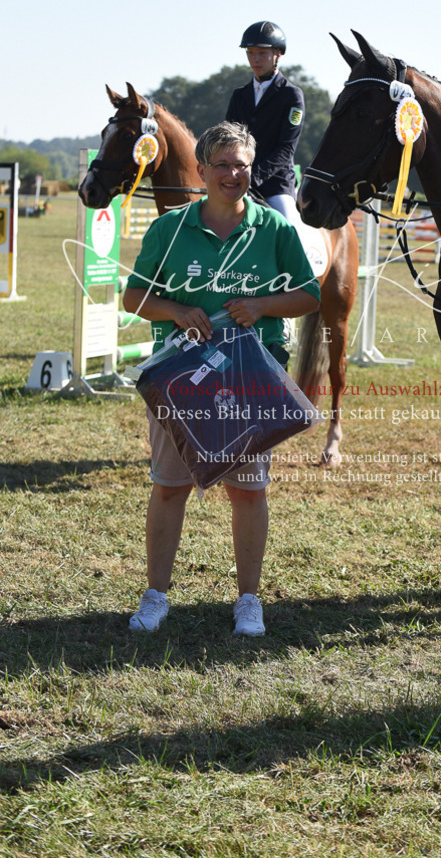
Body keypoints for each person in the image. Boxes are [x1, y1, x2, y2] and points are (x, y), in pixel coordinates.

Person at [122, 121, 320, 637]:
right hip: (180, 379)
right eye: (224, 165)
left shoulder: (274, 229)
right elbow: (134, 298)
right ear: (202, 170)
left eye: (243, 165)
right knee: (169, 487)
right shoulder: (170, 229)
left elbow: (307, 297)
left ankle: (248, 600)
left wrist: (261, 305)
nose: (234, 174)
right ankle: (156, 595)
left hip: (252, 378)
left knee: (249, 492)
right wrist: (179, 310)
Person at [226, 21, 304, 224]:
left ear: (278, 54)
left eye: (261, 53)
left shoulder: (292, 95)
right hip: (238, 180)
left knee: (288, 226)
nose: (255, 59)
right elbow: (228, 140)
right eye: (250, 53)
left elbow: (286, 149)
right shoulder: (239, 96)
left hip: (276, 184)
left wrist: (255, 175)